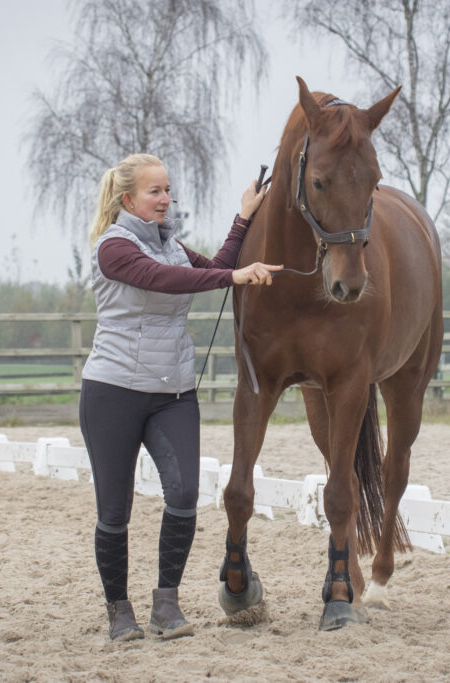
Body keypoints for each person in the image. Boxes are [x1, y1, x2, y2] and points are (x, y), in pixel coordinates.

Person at [79, 153, 281, 642]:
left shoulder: (171, 245)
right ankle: (119, 610)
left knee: (186, 495)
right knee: (114, 509)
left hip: (172, 392)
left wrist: (244, 216)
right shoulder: (114, 248)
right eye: (154, 191)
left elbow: (213, 268)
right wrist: (232, 277)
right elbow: (162, 280)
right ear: (128, 199)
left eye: (167, 189)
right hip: (113, 392)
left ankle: (166, 604)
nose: (165, 198)